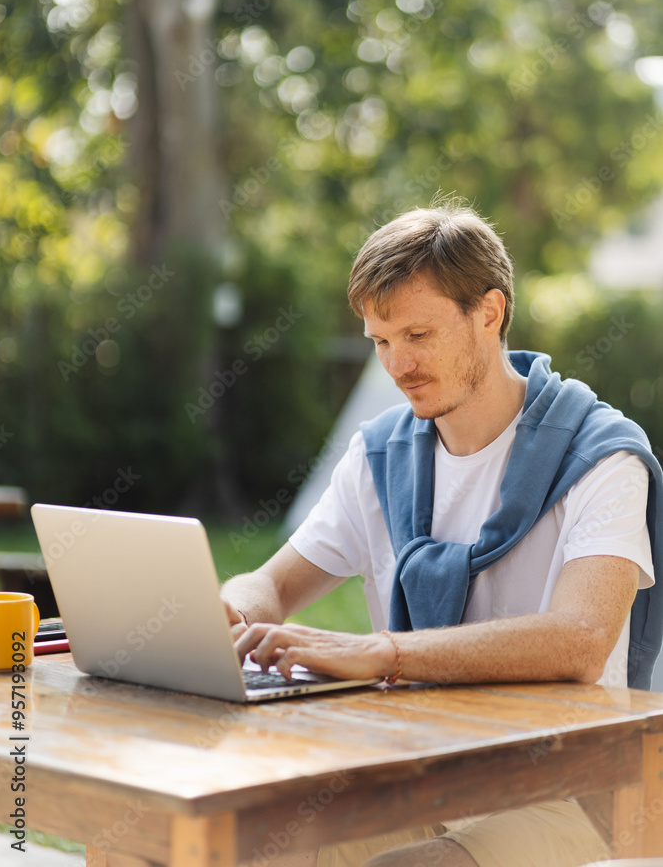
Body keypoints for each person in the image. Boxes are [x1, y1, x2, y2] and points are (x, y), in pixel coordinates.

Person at [222, 199, 663, 867]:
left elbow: (579, 640)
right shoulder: (381, 459)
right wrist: (235, 613)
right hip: (419, 777)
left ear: (488, 312)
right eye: (381, 341)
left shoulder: (601, 456)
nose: (397, 366)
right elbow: (270, 583)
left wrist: (385, 653)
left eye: (417, 336)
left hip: (575, 793)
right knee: (242, 847)